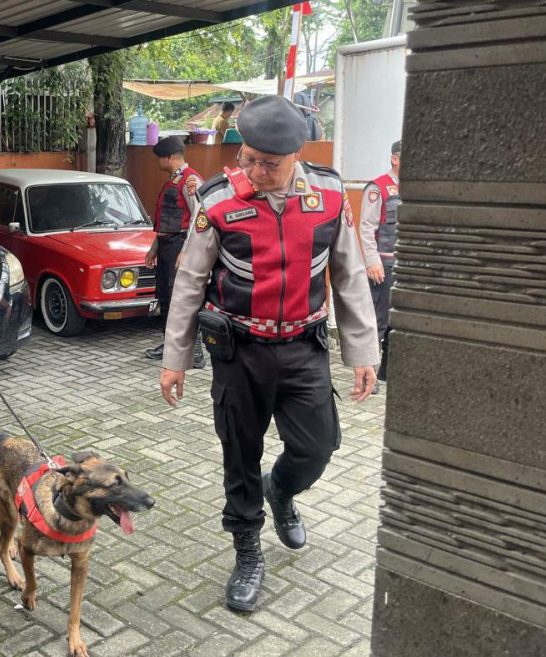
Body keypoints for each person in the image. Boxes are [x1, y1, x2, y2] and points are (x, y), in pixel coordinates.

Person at [158, 95, 379, 613]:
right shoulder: (217, 200)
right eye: (249, 158)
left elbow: (348, 273)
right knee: (240, 454)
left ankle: (280, 491)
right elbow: (189, 280)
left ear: (296, 156)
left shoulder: (327, 196)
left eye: (269, 163)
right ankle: (248, 551)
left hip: (305, 346)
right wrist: (175, 357)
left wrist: (362, 349)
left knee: (317, 447)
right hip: (240, 350)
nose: (255, 171)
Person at [144, 136, 205, 368]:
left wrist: (186, 251)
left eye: (160, 157)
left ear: (169, 157)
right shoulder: (174, 179)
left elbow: (199, 218)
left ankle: (196, 351)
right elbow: (166, 221)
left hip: (181, 246)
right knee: (166, 297)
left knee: (183, 298)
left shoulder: (191, 181)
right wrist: (154, 248)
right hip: (168, 247)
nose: (158, 162)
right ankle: (170, 346)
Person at [359, 140, 401, 383]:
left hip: (405, 264)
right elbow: (366, 227)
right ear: (395, 159)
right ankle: (370, 375)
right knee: (378, 320)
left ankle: (387, 371)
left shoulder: (414, 189)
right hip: (383, 264)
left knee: (398, 320)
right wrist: (371, 261)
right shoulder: (379, 188)